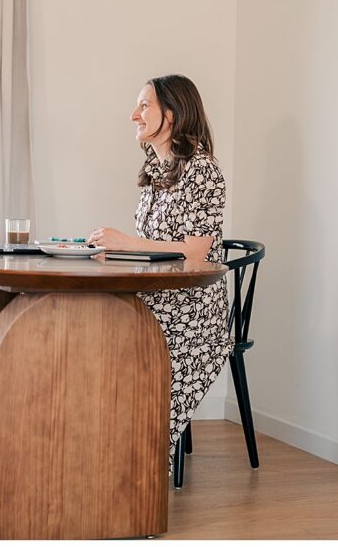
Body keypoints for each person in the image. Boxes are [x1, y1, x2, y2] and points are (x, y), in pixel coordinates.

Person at [88, 74, 230, 459]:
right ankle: (97, 451)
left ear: (171, 115)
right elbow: (155, 250)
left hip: (191, 306)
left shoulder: (203, 170)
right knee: (91, 332)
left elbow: (196, 255)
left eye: (144, 106)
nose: (134, 115)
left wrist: (127, 243)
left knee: (123, 348)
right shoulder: (155, 171)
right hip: (156, 295)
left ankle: (135, 464)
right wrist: (109, 251)